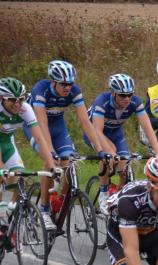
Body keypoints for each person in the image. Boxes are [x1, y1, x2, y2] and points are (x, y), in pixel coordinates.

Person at [24, 60, 105, 229]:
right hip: (36, 127)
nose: (68, 88)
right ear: (53, 81)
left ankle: (59, 200)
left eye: (70, 83)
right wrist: (51, 151)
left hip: (59, 128)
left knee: (69, 164)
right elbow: (42, 123)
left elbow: (85, 121)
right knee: (50, 161)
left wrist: (100, 149)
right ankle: (44, 210)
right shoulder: (41, 89)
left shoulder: (74, 91)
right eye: (63, 84)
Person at [86, 73, 158, 211]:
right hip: (96, 133)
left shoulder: (135, 102)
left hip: (115, 133)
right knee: (109, 154)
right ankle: (103, 195)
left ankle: (119, 197)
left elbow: (148, 127)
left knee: (124, 167)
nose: (127, 98)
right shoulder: (102, 102)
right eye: (122, 95)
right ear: (113, 93)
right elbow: (97, 131)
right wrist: (109, 153)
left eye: (130, 94)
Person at [0, 77, 57, 209]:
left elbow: (39, 138)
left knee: (22, 180)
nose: (17, 104)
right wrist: (2, 167)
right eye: (12, 100)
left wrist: (52, 165)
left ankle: (11, 211)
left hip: (7, 143)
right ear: (2, 98)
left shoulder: (25, 109)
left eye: (21, 99)